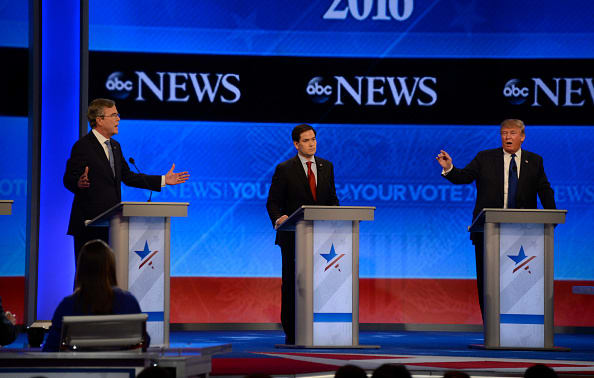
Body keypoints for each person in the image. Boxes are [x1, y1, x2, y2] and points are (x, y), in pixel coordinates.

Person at [436, 119, 556, 318]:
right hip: (488, 233)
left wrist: (552, 216)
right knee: (488, 282)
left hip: (524, 234)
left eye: (512, 133)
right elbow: (464, 176)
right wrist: (449, 168)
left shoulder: (535, 161)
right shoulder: (485, 158)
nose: (507, 137)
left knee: (521, 281)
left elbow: (544, 189)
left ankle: (521, 328)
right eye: (504, 133)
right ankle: (491, 328)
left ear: (522, 137)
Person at [63, 98, 189, 265]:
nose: (118, 119)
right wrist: (78, 182)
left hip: (112, 224)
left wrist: (164, 180)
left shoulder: (115, 146)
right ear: (99, 120)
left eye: (118, 114)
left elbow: (128, 177)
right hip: (89, 224)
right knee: (87, 276)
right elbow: (68, 179)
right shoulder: (82, 146)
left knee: (109, 276)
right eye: (114, 115)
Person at [266, 124, 339, 344]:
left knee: (321, 282)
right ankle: (293, 331)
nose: (312, 143)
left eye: (314, 139)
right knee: (292, 283)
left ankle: (323, 327)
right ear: (296, 144)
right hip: (293, 237)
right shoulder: (285, 168)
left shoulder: (327, 166)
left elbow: (332, 200)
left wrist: (337, 219)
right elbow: (273, 203)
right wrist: (279, 218)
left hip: (322, 238)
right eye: (306, 140)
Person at [43, 239, 150, 351]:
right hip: (120, 368)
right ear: (111, 267)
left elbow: (51, 349)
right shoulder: (128, 301)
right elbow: (143, 343)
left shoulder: (67, 305)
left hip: (79, 368)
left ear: (81, 269)